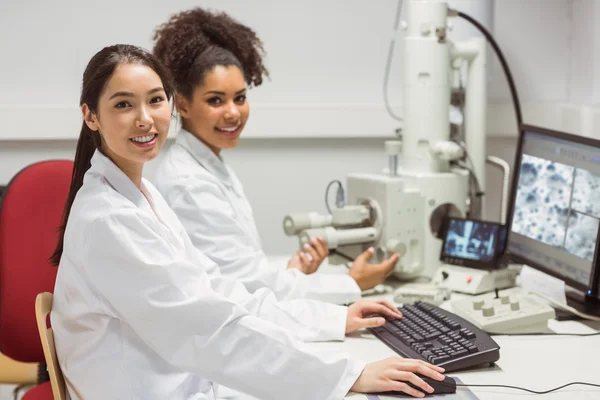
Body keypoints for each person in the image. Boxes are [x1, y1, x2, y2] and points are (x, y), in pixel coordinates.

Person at [49, 44, 445, 400]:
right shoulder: (112, 219)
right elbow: (206, 330)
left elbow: (219, 291)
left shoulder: (141, 198)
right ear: (91, 115)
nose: (145, 119)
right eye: (123, 105)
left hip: (181, 377)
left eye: (155, 100)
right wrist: (345, 375)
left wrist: (330, 321)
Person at [152, 8, 398, 305]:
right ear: (184, 105)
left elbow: (243, 269)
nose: (233, 112)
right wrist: (350, 283)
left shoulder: (207, 165)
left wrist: (295, 272)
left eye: (239, 98)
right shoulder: (187, 182)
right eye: (215, 100)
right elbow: (243, 284)